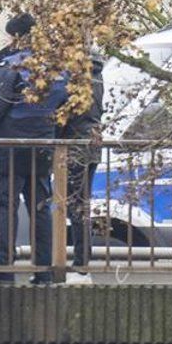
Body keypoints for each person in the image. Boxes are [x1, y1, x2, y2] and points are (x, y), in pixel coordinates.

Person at [0, 13, 68, 285]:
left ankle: (3, 268)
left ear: (16, 37)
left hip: (8, 148)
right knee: (40, 208)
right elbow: (66, 109)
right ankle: (44, 270)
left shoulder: (10, 67)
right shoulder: (56, 68)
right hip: (43, 147)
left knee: (5, 207)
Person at [58, 46, 105, 284]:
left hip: (76, 145)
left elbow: (67, 115)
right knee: (81, 203)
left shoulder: (77, 80)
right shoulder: (97, 77)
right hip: (91, 144)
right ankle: (82, 261)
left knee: (76, 204)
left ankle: (81, 263)